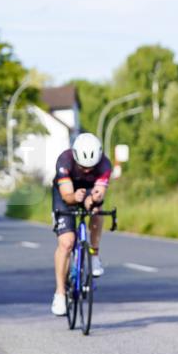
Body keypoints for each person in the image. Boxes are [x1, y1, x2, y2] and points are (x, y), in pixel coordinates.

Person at [50, 133, 112, 315]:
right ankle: (60, 293)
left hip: (89, 192)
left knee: (97, 210)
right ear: (75, 156)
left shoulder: (105, 164)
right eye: (82, 167)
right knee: (67, 242)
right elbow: (67, 195)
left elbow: (99, 191)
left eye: (90, 168)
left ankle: (94, 254)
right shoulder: (65, 160)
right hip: (65, 195)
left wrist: (92, 199)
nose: (86, 171)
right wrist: (74, 197)